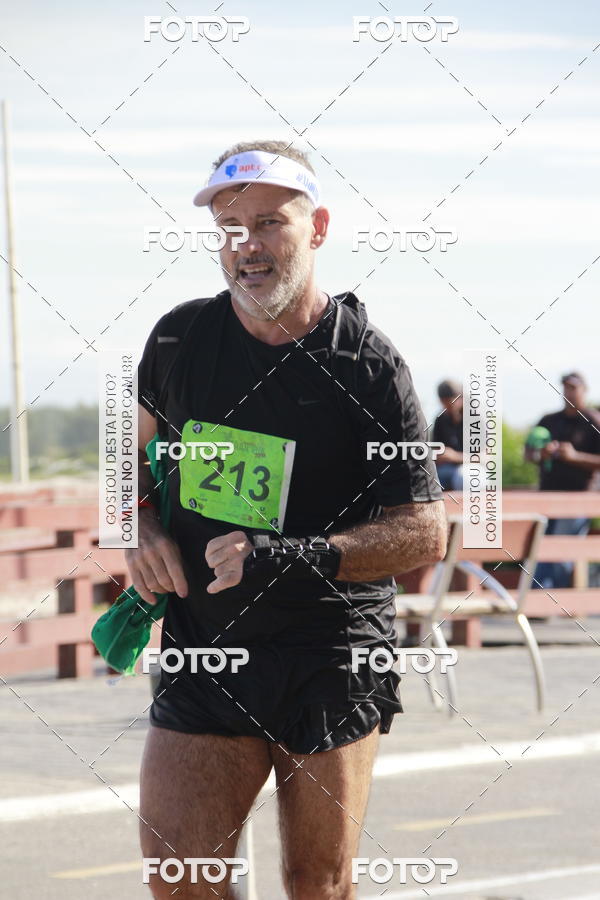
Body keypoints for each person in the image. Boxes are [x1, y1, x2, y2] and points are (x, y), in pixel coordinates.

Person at [127, 140, 447, 899]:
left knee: (317, 884)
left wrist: (289, 555)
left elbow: (423, 531)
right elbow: (122, 466)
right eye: (231, 226)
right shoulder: (180, 339)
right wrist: (137, 529)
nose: (248, 245)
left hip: (331, 654)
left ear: (319, 228)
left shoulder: (368, 364)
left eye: (269, 222)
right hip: (208, 646)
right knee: (181, 878)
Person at [525, 372, 600, 590]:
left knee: (562, 551)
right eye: (566, 388)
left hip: (579, 499)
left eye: (574, 388)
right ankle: (540, 600)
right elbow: (529, 454)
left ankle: (542, 599)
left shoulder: (593, 421)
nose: (569, 392)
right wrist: (543, 454)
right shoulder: (549, 420)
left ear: (584, 390)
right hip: (547, 497)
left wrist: (574, 457)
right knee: (540, 548)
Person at [431, 379, 463, 491]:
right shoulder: (440, 419)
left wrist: (454, 456)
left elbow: (487, 457)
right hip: (446, 469)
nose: (447, 406)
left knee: (463, 478)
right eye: (443, 402)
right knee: (430, 479)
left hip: (472, 470)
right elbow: (434, 451)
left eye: (451, 401)